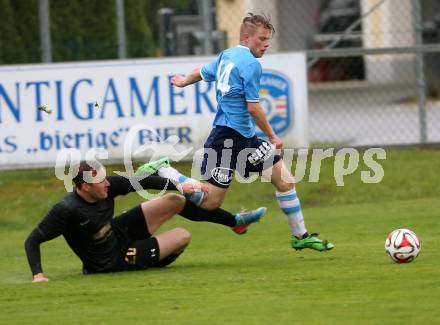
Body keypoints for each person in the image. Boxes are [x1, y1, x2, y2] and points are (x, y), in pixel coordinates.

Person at [158, 13, 333, 251]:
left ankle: (300, 236)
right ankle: (166, 171)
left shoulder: (227, 55)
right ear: (247, 37)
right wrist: (272, 135)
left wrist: (183, 81)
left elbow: (202, 71)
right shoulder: (251, 64)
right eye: (261, 39)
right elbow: (253, 106)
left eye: (267, 39)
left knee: (285, 181)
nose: (266, 44)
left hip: (245, 139)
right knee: (210, 203)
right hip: (226, 139)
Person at [24, 161, 265, 282]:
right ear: (85, 187)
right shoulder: (66, 210)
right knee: (182, 236)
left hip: (117, 231)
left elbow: (143, 181)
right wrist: (38, 275)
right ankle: (149, 256)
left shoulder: (106, 187)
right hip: (111, 262)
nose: (108, 183)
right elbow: (33, 240)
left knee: (174, 199)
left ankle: (235, 221)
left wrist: (179, 184)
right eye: (101, 182)